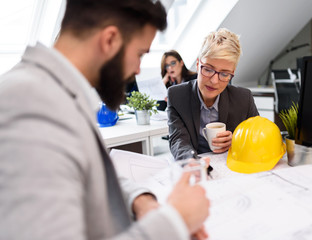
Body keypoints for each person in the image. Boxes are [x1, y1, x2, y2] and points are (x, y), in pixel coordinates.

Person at [0, 1, 209, 239]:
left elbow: (83, 173)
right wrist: (174, 222)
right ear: (109, 40)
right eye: (139, 54)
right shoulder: (28, 102)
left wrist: (138, 200)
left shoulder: (56, 91)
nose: (139, 69)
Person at [167, 28, 259, 160]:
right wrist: (192, 162)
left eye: (224, 74)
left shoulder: (243, 98)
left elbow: (259, 136)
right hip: (196, 167)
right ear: (198, 64)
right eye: (208, 69)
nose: (214, 81)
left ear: (232, 73)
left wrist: (236, 140)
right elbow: (178, 141)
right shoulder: (177, 96)